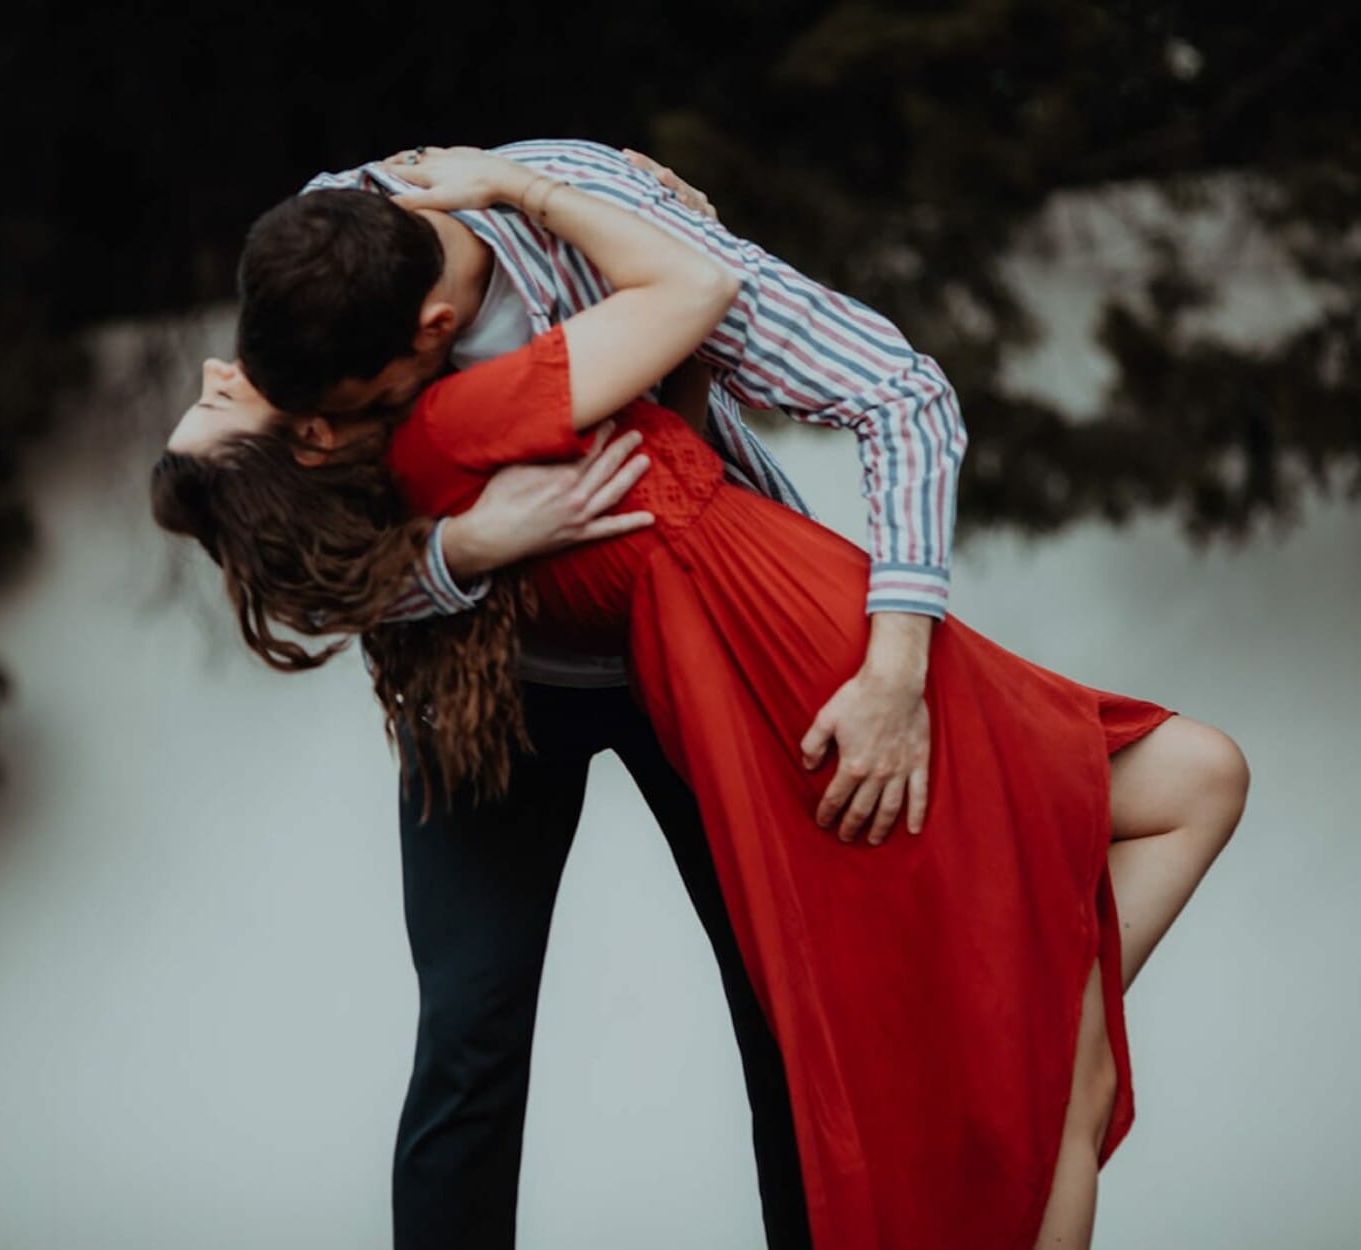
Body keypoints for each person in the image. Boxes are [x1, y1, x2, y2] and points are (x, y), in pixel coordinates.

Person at [152, 147, 1248, 1249]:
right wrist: (468, 545)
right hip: (490, 682)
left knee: (789, 1002)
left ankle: (1028, 1072)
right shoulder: (308, 326)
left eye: (340, 411)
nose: (218, 375)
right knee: (470, 1026)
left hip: (715, 650)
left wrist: (895, 671)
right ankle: (1051, 1056)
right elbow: (309, 562)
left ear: (429, 334)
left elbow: (888, 385)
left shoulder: (475, 291)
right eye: (257, 409)